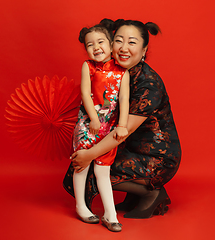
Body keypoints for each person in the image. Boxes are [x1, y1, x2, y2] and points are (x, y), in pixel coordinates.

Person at [63, 19, 181, 220]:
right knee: (88, 160)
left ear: (144, 50)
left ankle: (151, 193)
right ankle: (133, 195)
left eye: (132, 42)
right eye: (119, 40)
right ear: (110, 43)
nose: (124, 48)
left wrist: (89, 154)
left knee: (93, 165)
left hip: (156, 157)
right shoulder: (111, 71)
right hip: (130, 148)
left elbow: (124, 130)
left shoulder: (148, 84)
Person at [71, 19, 130, 232]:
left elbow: (124, 98)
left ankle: (110, 214)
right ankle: (81, 206)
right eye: (90, 44)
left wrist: (122, 125)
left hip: (110, 128)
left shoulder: (123, 71)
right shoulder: (88, 67)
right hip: (88, 125)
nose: (96, 47)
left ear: (111, 43)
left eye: (101, 42)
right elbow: (85, 93)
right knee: (82, 165)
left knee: (103, 170)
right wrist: (94, 119)